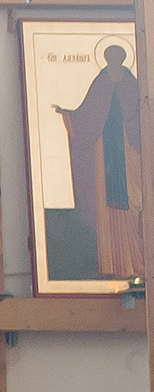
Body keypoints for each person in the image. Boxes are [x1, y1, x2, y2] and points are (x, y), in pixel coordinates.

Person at [57, 44, 145, 281]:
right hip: (104, 151)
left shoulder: (130, 81)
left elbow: (142, 111)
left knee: (135, 201)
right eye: (110, 56)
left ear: (122, 57)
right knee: (108, 205)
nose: (113, 59)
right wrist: (69, 115)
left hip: (128, 149)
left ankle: (139, 262)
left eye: (117, 56)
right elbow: (89, 111)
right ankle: (115, 264)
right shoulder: (102, 80)